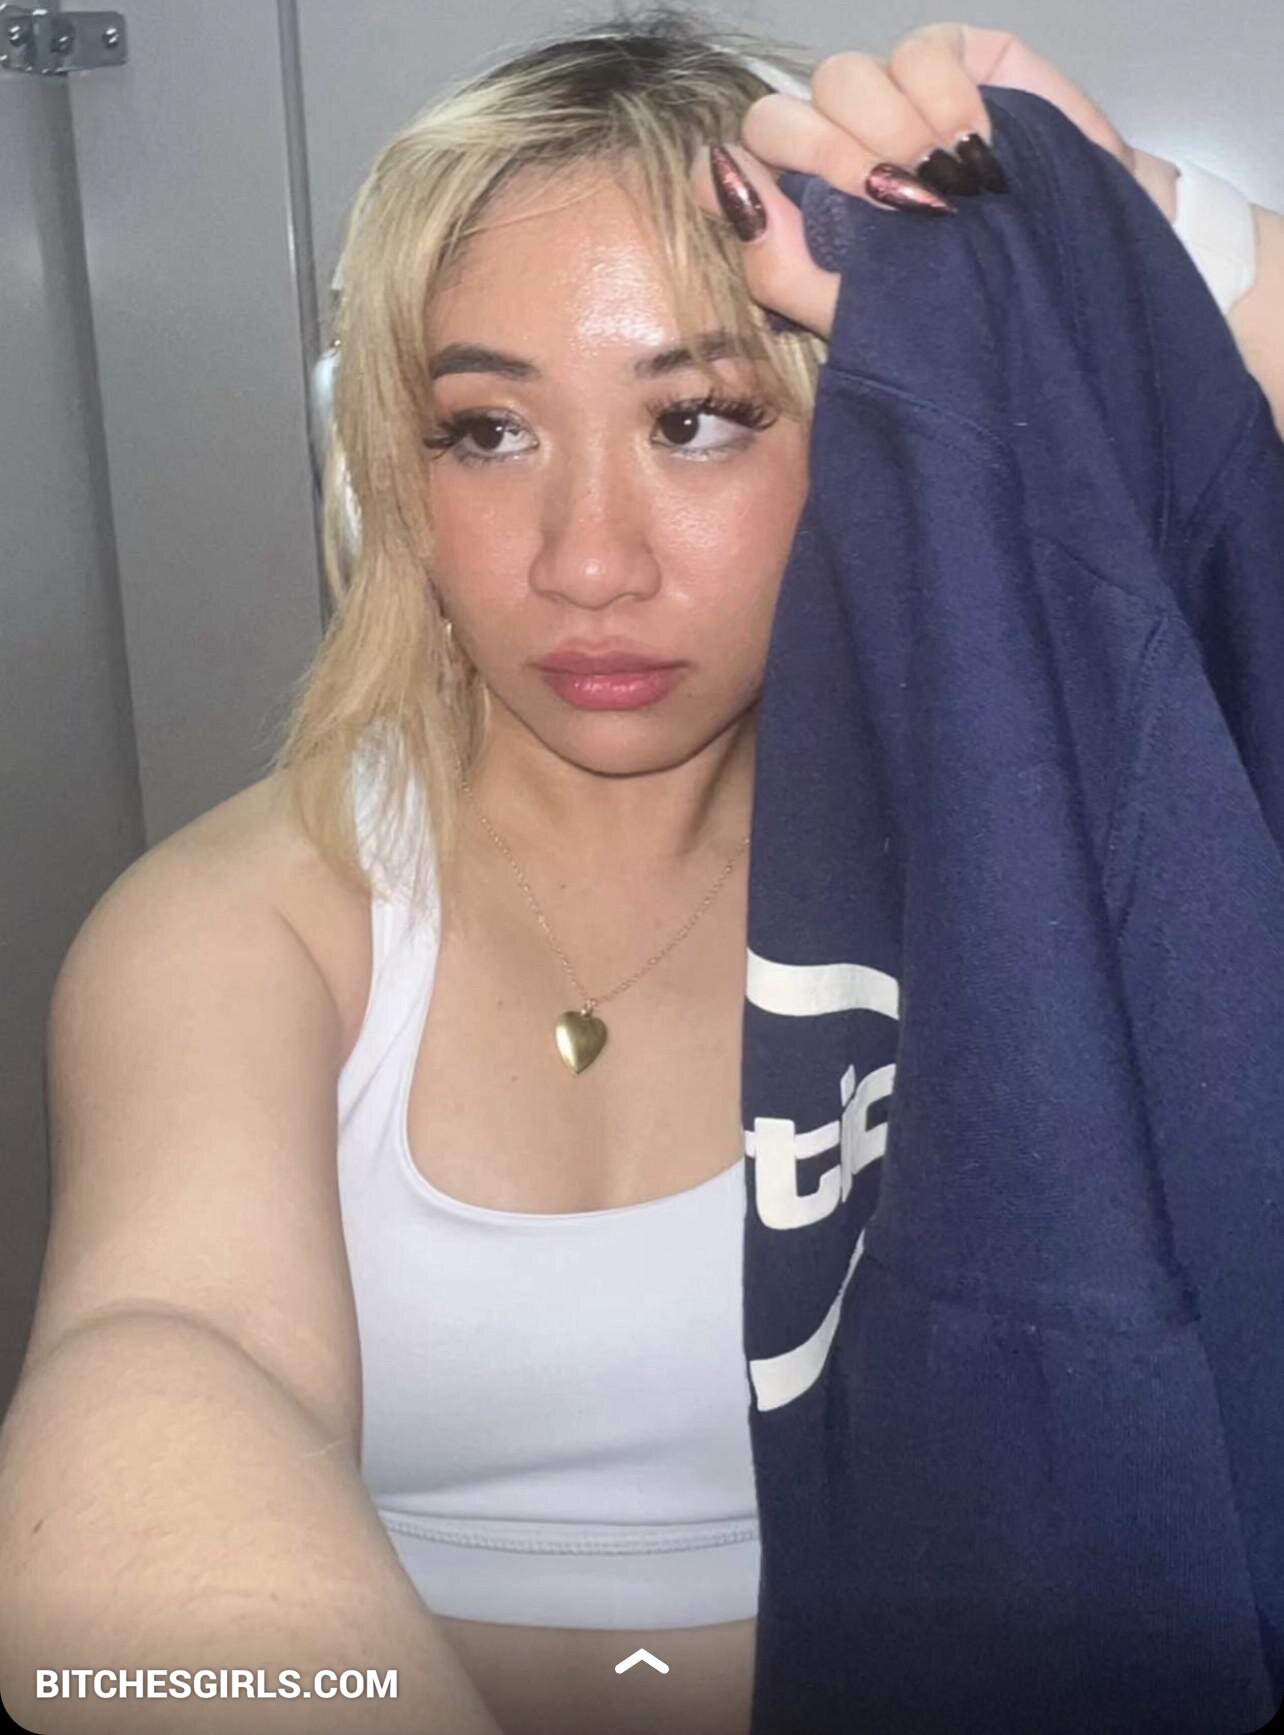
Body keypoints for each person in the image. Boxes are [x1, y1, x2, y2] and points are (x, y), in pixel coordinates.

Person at [1, 8, 1280, 1735]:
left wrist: (1164, 251)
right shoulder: (241, 933)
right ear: (389, 478)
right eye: (486, 431)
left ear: (859, 432)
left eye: (697, 419)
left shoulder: (1016, 890)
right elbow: (173, 1346)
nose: (587, 563)